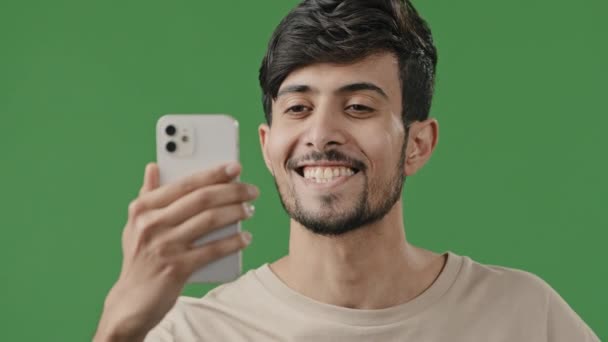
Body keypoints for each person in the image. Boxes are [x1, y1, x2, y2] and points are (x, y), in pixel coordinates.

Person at [94, 0, 599, 341]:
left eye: (358, 107)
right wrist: (117, 329)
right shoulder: (191, 332)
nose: (320, 135)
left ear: (418, 144)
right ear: (268, 147)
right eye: (297, 108)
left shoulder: (526, 316)